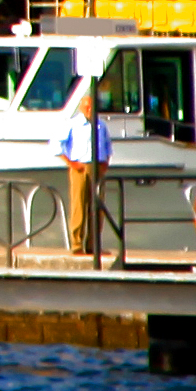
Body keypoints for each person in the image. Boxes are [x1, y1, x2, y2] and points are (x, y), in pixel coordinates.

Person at [63, 70, 120, 260]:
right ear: (81, 108)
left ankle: (93, 244)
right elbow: (57, 146)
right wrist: (72, 163)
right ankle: (77, 244)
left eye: (92, 106)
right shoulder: (72, 124)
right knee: (79, 206)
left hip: (97, 167)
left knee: (96, 208)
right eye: (87, 106)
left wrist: (105, 164)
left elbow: (107, 146)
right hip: (79, 167)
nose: (89, 109)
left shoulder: (101, 125)